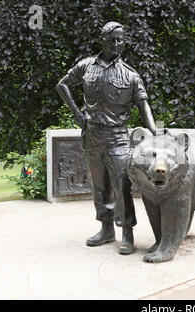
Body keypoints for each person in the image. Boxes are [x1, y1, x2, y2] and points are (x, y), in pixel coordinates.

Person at [56, 21, 160, 255]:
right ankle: (106, 229)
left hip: (118, 137)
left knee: (122, 186)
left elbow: (144, 105)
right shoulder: (86, 67)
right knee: (99, 185)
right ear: (103, 39)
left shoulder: (130, 75)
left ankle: (127, 233)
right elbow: (62, 85)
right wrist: (76, 113)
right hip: (92, 135)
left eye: (120, 40)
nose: (116, 44)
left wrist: (154, 130)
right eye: (112, 39)